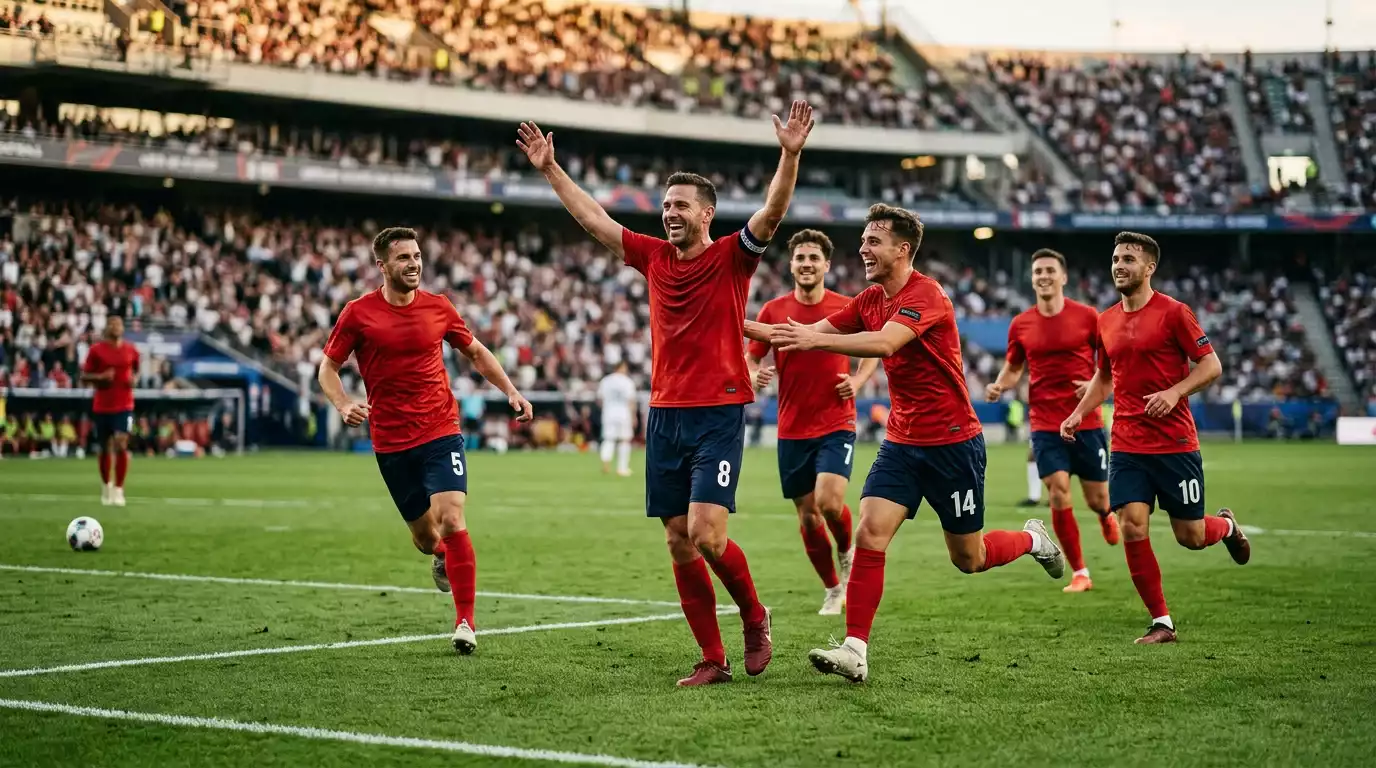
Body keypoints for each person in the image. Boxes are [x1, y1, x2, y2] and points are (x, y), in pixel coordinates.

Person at [518, 99, 816, 686]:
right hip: (664, 416)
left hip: (718, 413)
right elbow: (595, 222)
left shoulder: (733, 257)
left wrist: (789, 153)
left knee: (707, 533)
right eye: (665, 205)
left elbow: (773, 211)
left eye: (680, 205)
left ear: (707, 213)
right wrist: (551, 169)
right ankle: (713, 658)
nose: (669, 213)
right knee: (679, 541)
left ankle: (755, 616)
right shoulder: (653, 257)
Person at [771, 205, 1065, 683]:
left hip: (954, 444)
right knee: (870, 532)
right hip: (902, 443)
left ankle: (1034, 538)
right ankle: (855, 649)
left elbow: (884, 345)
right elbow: (797, 333)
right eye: (863, 240)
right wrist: (725, 323)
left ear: (902, 250)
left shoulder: (927, 294)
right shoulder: (868, 298)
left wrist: (813, 341)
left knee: (969, 559)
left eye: (873, 241)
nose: (863, 249)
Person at [318, 227, 534, 656]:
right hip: (391, 441)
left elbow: (475, 352)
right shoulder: (358, 314)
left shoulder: (438, 307)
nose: (414, 264)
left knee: (453, 517)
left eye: (417, 256)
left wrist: (509, 389)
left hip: (440, 430)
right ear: (382, 266)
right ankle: (439, 555)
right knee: (426, 539)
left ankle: (466, 622)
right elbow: (328, 368)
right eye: (403, 258)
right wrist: (343, 404)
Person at [1061, 232, 1251, 645]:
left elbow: (1211, 364)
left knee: (1191, 536)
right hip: (1128, 444)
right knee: (1132, 524)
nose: (1119, 265)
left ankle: (1227, 526)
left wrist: (1175, 391)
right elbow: (1105, 376)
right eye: (1115, 258)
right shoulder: (1105, 320)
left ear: (1149, 268)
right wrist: (1079, 413)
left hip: (1175, 443)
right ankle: (1162, 622)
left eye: (1129, 258)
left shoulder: (1174, 313)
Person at [745, 229, 878, 615]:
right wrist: (754, 375)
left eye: (813, 258)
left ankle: (847, 549)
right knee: (807, 515)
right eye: (800, 258)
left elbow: (872, 346)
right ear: (791, 265)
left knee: (829, 502)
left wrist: (858, 380)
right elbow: (752, 358)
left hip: (837, 423)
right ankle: (833, 589)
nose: (806, 264)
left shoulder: (845, 306)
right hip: (791, 428)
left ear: (826, 265)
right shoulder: (773, 310)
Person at [986, 248, 1120, 594]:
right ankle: (1081, 572)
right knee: (1058, 493)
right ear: (1032, 279)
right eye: (1037, 271)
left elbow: (1109, 364)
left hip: (1087, 422)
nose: (1043, 276)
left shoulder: (1088, 317)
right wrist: (1001, 384)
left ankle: (1106, 515)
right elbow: (1015, 367)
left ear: (1062, 277)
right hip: (1045, 423)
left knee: (1097, 499)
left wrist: (1093, 384)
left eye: (1049, 270)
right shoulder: (1022, 323)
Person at [81, 315, 139, 506]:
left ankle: (119, 489)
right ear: (106, 328)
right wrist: (101, 377)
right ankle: (106, 485)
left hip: (125, 404)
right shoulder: (96, 350)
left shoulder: (131, 350)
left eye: (119, 323)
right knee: (104, 446)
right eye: (112, 324)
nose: (116, 326)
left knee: (122, 443)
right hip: (103, 405)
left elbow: (136, 370)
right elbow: (84, 376)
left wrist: (134, 379)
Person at [597, 360, 637, 476]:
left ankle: (606, 463)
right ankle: (622, 468)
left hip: (609, 413)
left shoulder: (606, 380)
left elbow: (600, 399)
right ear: (622, 368)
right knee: (624, 440)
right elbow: (631, 401)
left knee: (608, 439)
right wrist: (633, 416)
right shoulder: (627, 382)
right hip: (624, 414)